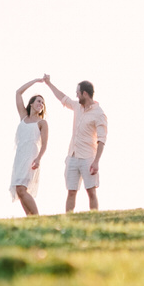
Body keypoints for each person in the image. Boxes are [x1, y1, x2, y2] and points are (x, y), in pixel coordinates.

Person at [42, 74, 107, 212]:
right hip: (72, 156)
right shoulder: (77, 106)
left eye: (78, 93)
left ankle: (94, 219)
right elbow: (62, 97)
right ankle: (68, 220)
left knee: (91, 192)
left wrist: (96, 162)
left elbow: (101, 140)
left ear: (84, 93)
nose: (76, 96)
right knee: (71, 192)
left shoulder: (99, 114)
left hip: (88, 158)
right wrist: (49, 83)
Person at [10, 78, 49, 216]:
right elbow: (18, 93)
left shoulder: (42, 123)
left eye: (43, 103)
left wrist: (38, 159)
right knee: (19, 190)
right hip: (20, 155)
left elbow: (44, 144)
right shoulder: (23, 117)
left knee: (22, 188)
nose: (41, 104)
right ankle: (30, 218)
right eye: (39, 101)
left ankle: (37, 216)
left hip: (31, 156)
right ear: (31, 104)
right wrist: (36, 81)